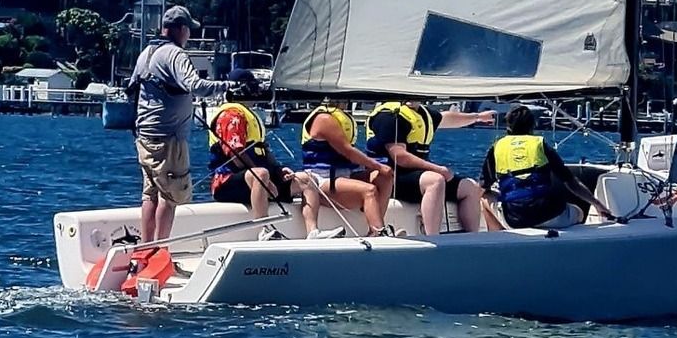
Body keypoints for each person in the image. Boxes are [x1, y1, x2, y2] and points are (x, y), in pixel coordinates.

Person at [127, 5, 215, 243]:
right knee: (171, 194)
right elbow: (195, 85)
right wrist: (227, 87)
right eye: (189, 30)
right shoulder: (175, 54)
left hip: (144, 136)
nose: (189, 36)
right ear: (182, 29)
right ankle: (161, 249)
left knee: (150, 194)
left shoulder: (146, 53)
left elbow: (133, 89)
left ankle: (146, 248)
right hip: (168, 139)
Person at [365, 99, 483, 234]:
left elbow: (446, 118)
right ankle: (432, 237)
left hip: (415, 176)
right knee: (435, 180)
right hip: (391, 177)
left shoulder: (422, 113)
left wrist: (478, 117)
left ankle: (471, 238)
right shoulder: (390, 116)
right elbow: (400, 156)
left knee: (470, 187)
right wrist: (438, 169)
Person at [206, 100, 319, 236]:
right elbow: (235, 153)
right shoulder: (231, 115)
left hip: (260, 179)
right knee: (261, 175)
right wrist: (267, 182)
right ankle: (264, 230)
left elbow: (261, 153)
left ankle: (313, 231)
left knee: (306, 179)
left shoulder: (248, 115)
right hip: (227, 181)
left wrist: (278, 170)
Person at [479, 105, 600, 232]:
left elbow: (482, 188)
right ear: (533, 125)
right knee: (578, 212)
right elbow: (571, 182)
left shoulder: (497, 147)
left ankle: (500, 238)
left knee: (485, 197)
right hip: (550, 216)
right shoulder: (540, 144)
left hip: (514, 220)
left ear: (508, 126)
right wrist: (598, 205)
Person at [300, 103, 391, 235]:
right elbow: (347, 151)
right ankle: (378, 231)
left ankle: (375, 228)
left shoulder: (340, 116)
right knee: (369, 190)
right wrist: (377, 165)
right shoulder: (323, 119)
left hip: (344, 177)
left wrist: (381, 169)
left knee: (385, 177)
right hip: (322, 182)